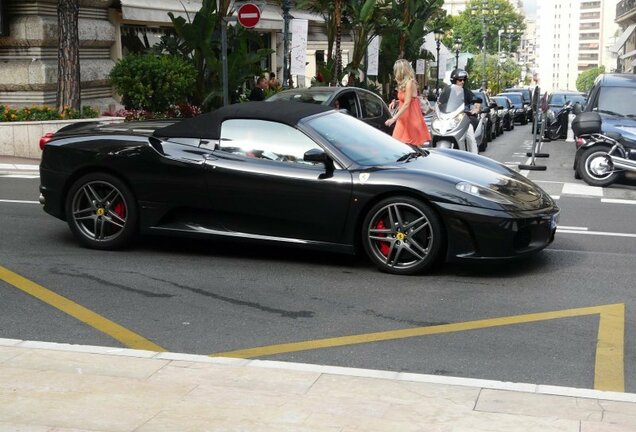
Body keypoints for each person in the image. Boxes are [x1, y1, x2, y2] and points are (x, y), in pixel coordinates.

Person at [384, 59, 431, 147]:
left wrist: (393, 119)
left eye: (396, 70)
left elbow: (407, 103)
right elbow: (404, 99)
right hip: (403, 118)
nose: (395, 72)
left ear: (401, 70)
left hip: (411, 118)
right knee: (398, 144)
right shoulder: (403, 84)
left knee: (411, 146)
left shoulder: (410, 83)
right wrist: (395, 101)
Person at [437, 68, 480, 153]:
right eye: (460, 80)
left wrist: (475, 109)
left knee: (470, 136)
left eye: (463, 80)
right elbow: (439, 104)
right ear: (454, 81)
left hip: (463, 119)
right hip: (449, 119)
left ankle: (474, 156)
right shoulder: (447, 92)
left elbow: (477, 102)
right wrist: (437, 110)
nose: (462, 82)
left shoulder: (466, 92)